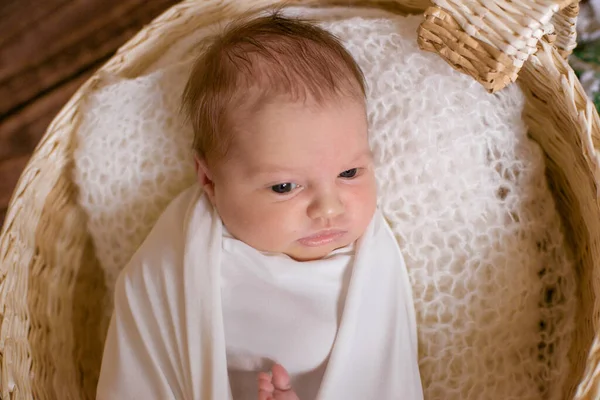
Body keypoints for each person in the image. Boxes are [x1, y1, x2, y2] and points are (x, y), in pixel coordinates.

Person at [97, 11, 423, 400]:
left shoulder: (371, 266)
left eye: (350, 173)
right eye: (285, 186)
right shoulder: (181, 257)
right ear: (209, 181)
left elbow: (380, 376)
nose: (329, 207)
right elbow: (145, 357)